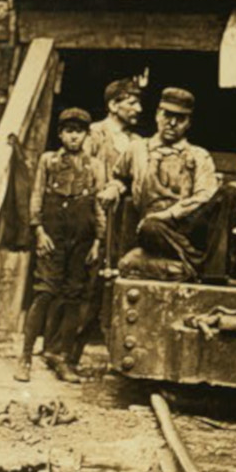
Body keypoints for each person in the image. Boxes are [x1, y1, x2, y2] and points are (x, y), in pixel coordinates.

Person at [99, 87, 236, 281]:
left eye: (180, 118)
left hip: (189, 227)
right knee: (149, 228)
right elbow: (119, 177)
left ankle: (204, 267)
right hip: (156, 232)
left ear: (188, 123)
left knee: (230, 193)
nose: (172, 123)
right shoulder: (137, 149)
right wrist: (113, 188)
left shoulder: (198, 155)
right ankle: (200, 265)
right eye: (167, 115)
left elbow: (204, 196)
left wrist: (168, 215)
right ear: (157, 115)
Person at [15, 107, 106, 384]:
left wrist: (98, 241)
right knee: (44, 293)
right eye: (68, 131)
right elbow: (36, 197)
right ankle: (25, 357)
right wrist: (39, 232)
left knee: (72, 297)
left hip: (82, 240)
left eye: (79, 132)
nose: (74, 137)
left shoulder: (96, 166)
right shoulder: (48, 161)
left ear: (86, 135)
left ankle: (62, 357)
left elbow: (100, 205)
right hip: (52, 238)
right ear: (60, 134)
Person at [64, 78, 143, 373]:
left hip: (122, 223)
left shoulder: (137, 143)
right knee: (84, 285)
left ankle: (115, 360)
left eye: (138, 102)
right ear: (113, 105)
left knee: (112, 286)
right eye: (131, 102)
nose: (138, 108)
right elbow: (80, 173)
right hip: (93, 218)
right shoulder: (94, 134)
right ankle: (66, 355)